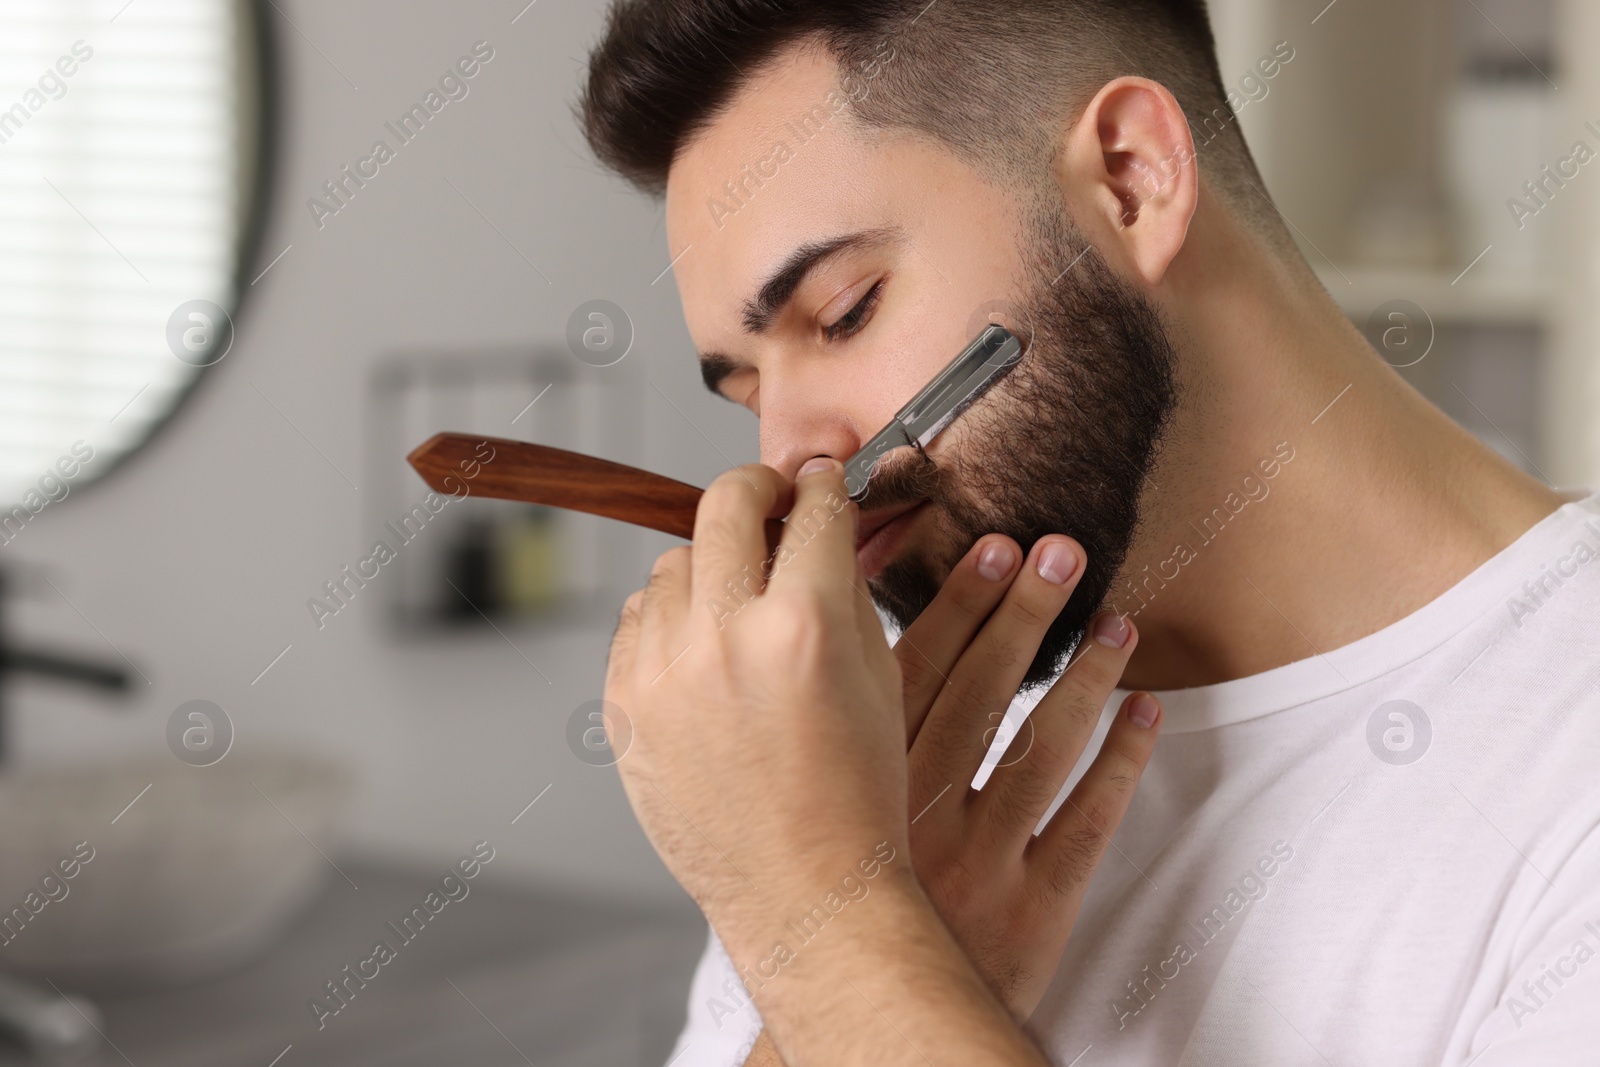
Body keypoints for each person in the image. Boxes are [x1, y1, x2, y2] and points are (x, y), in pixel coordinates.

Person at [582, 1, 1600, 1064]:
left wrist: (819, 914)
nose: (790, 457)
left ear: (1129, 179)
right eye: (745, 389)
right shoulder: (874, 739)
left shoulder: (1567, 777)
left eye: (845, 313)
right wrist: (884, 953)